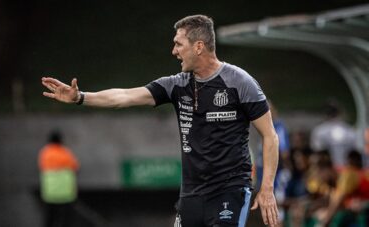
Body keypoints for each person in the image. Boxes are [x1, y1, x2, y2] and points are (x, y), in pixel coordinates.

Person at [41, 15, 279, 227]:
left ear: (198, 47)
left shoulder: (240, 83)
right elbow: (124, 96)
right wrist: (81, 97)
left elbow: (270, 136)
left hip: (230, 190)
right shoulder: (177, 84)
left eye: (178, 44)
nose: (174, 51)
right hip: (192, 195)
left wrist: (267, 188)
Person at [38, 130, 80, 227]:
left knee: (50, 218)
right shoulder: (65, 152)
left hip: (50, 192)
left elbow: (42, 167)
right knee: (66, 219)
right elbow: (76, 166)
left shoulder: (45, 153)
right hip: (66, 192)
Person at [310, 99, 357, 170]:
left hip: (329, 171)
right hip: (347, 170)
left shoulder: (319, 131)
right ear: (339, 112)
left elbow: (318, 154)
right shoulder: (350, 131)